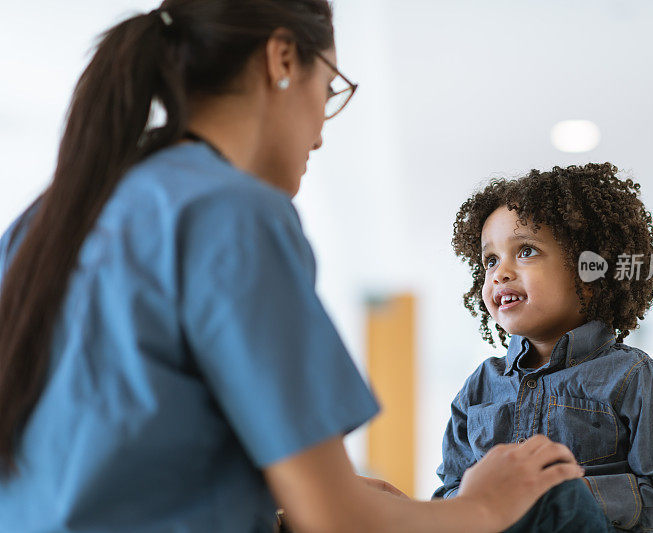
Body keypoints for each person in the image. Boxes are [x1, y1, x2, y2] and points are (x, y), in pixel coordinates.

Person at [0, 1, 606, 531]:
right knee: (554, 501)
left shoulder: (48, 219)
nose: (321, 130)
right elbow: (339, 519)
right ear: (283, 58)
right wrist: (481, 504)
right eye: (331, 86)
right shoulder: (230, 212)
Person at [434, 163, 653, 531]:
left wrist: (559, 497)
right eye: (490, 260)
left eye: (527, 251)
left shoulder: (633, 379)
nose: (500, 272)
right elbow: (451, 490)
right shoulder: (479, 387)